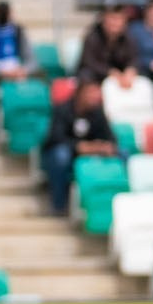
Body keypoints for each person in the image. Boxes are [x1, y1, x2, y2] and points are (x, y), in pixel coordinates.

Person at [41, 80, 118, 213]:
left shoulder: (98, 112)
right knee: (60, 156)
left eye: (96, 92)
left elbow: (110, 138)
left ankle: (108, 204)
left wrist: (102, 146)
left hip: (92, 154)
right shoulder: (61, 109)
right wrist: (78, 146)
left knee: (122, 153)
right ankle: (59, 204)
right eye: (90, 92)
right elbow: (55, 137)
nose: (94, 96)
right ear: (79, 93)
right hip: (67, 152)